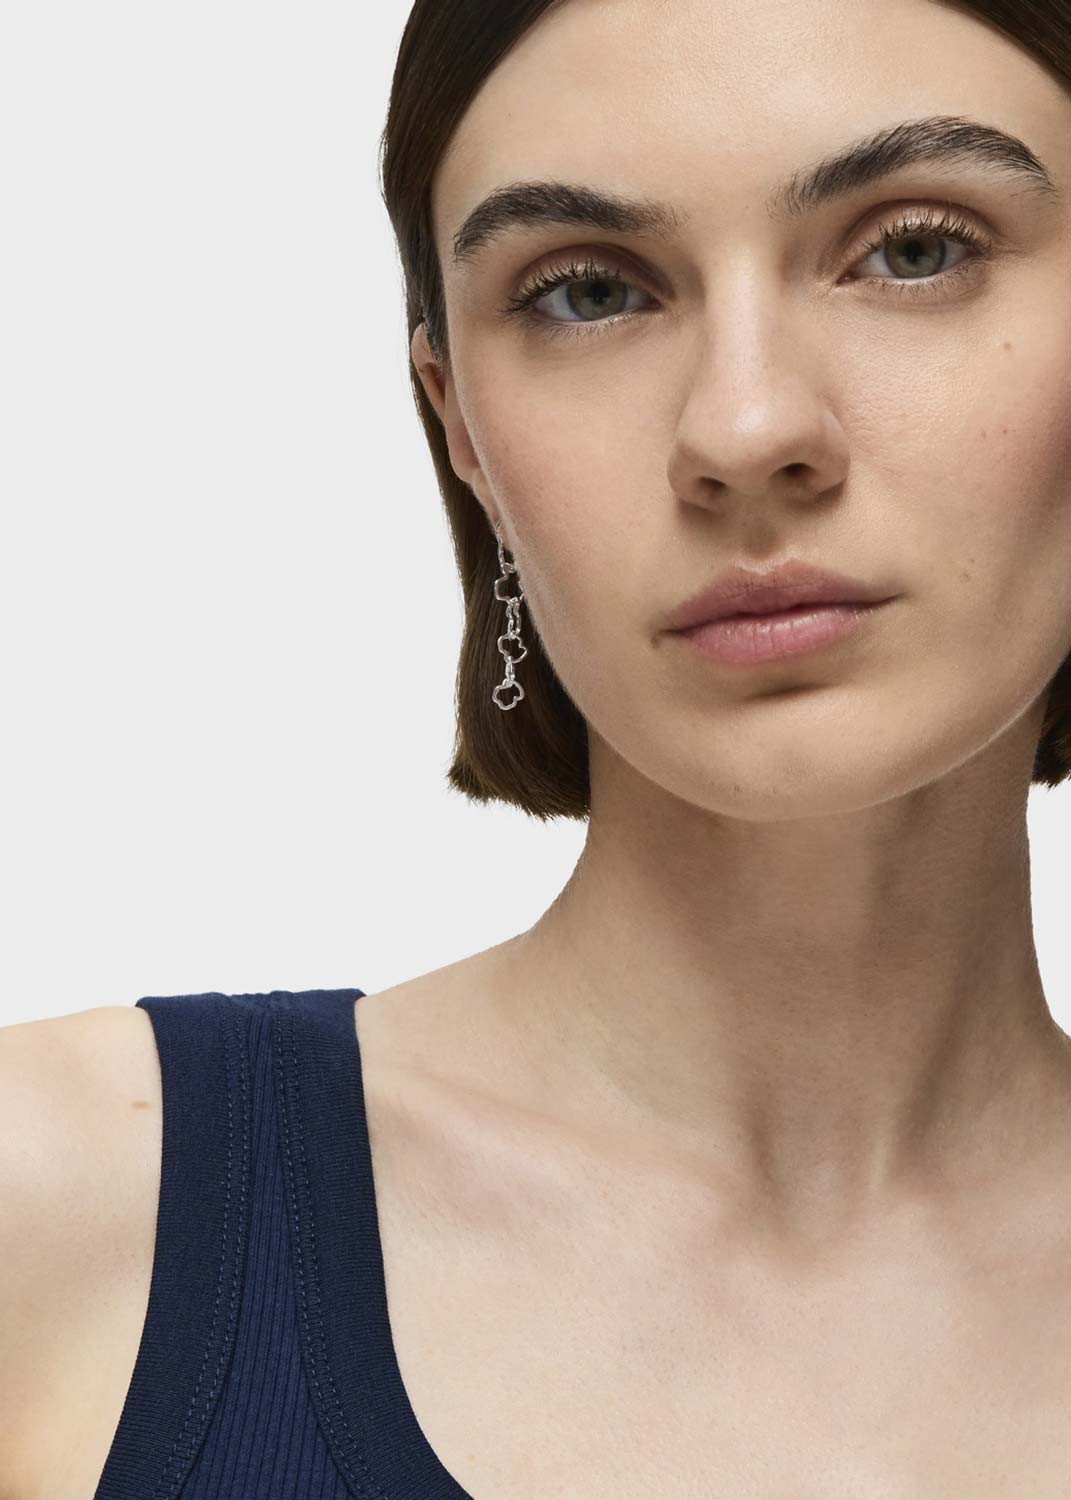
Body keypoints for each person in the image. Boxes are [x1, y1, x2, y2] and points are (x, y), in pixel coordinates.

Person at [4, 0, 1071, 1495]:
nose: (745, 428)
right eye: (587, 292)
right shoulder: (50, 1217)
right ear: (460, 427)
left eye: (913, 252)